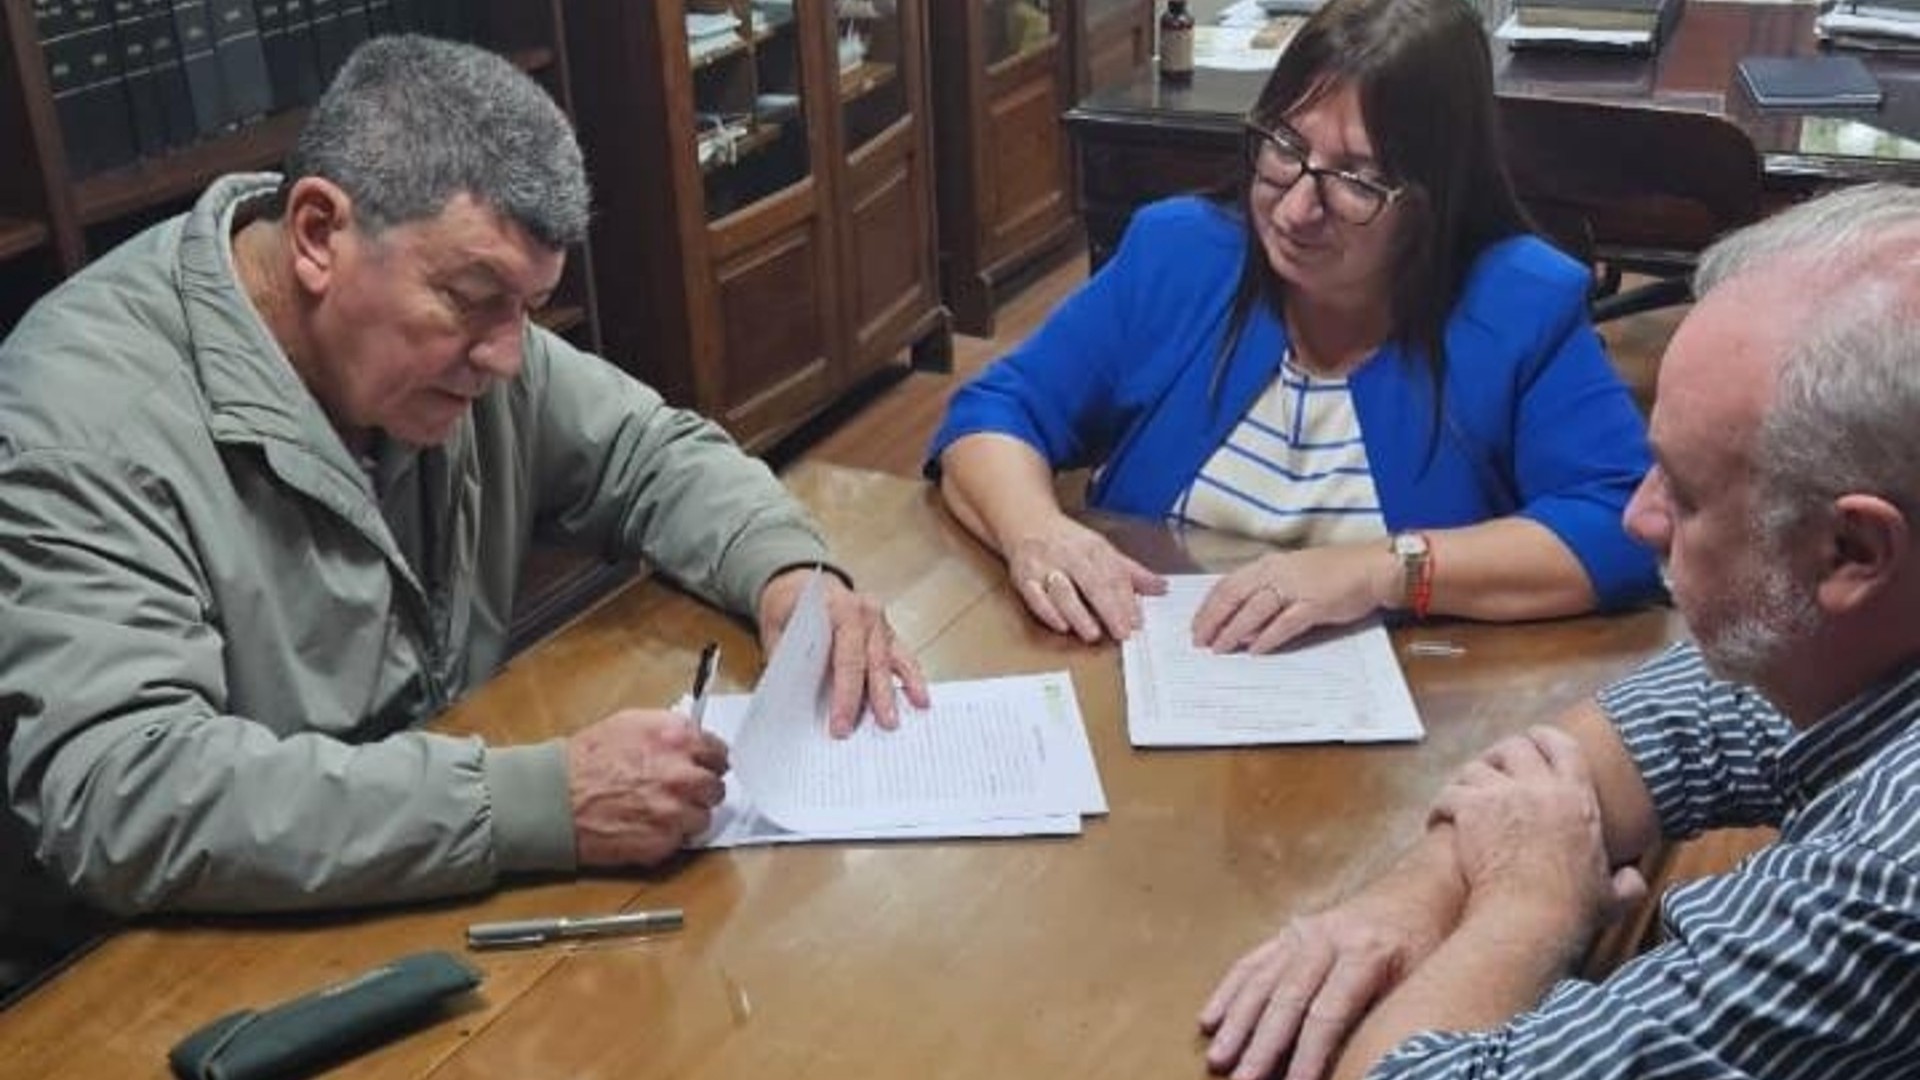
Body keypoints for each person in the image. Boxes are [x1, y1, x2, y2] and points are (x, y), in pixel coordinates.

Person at [0, 35, 928, 985]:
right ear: (317, 234)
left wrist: (786, 572)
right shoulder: (87, 422)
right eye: (474, 299)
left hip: (424, 897)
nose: (508, 358)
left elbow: (650, 451)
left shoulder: (458, 342)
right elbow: (122, 794)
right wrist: (540, 801)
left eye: (530, 307)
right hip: (161, 973)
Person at [1197, 182, 1920, 1080]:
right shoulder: (1864, 637)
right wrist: (1412, 898)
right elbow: (1682, 718)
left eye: (1685, 493)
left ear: (1853, 551)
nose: (1639, 518)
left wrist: (1530, 908)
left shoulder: (1893, 874)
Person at [926, 0, 1659, 652]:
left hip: (1418, 718)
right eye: (1285, 147)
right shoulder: (1179, 255)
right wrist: (1036, 531)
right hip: (1159, 677)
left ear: (1436, 197)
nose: (1297, 209)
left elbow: (1621, 527)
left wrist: (1380, 570)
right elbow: (995, 412)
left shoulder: (1519, 305)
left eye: (1357, 179)